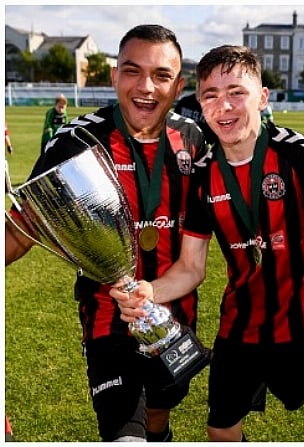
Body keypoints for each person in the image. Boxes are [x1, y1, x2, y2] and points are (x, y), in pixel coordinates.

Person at [110, 45, 304, 441]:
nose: (223, 106)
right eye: (211, 95)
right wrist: (150, 290)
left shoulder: (301, 157)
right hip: (241, 329)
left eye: (236, 92)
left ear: (262, 98)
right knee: (220, 430)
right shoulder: (203, 174)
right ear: (201, 106)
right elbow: (192, 267)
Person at [5, 24, 206, 441]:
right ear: (114, 76)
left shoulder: (194, 140)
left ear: (178, 84)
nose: (145, 87)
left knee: (157, 418)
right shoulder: (76, 141)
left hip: (173, 316)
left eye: (161, 75)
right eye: (132, 71)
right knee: (124, 433)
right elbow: (20, 230)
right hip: (106, 317)